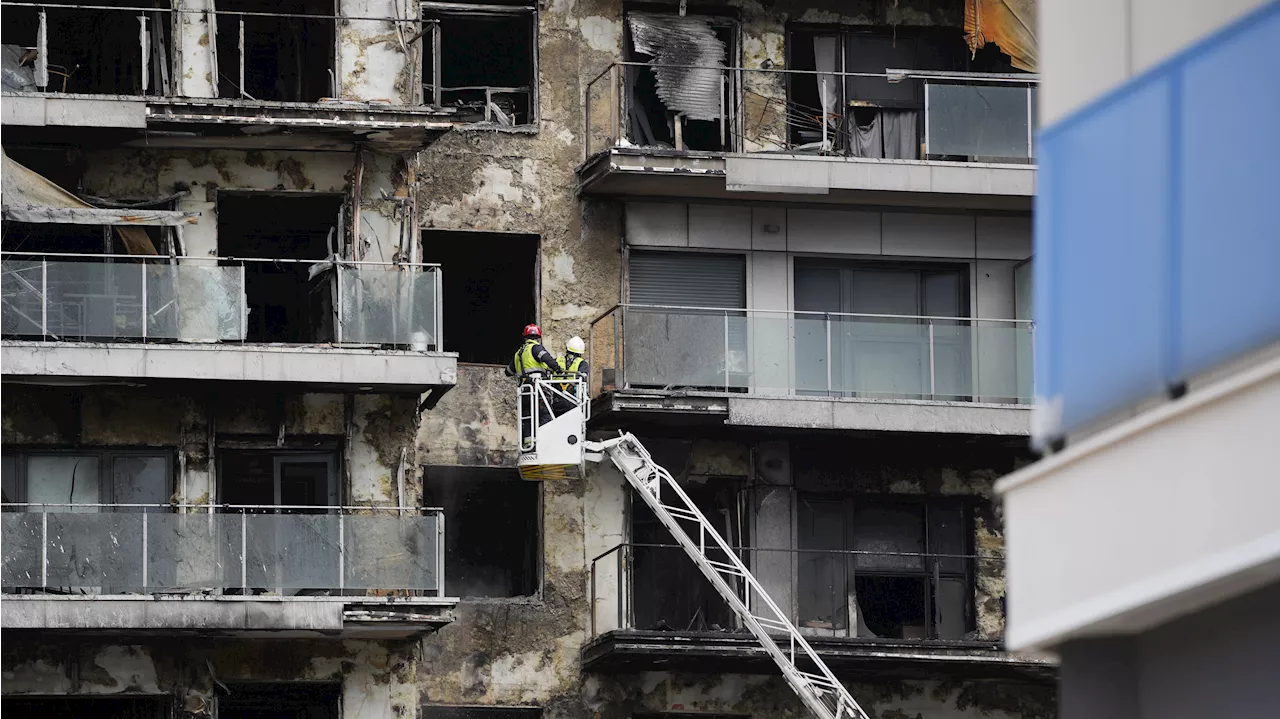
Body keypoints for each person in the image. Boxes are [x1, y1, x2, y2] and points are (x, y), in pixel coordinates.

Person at [506, 324, 562, 444]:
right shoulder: (536, 348)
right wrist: (557, 369)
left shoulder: (518, 353)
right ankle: (546, 442)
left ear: (525, 337)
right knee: (544, 413)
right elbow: (548, 359)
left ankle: (528, 444)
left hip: (524, 389)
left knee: (528, 416)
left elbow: (508, 372)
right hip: (538, 387)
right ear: (538, 337)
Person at [553, 335, 591, 416]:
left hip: (556, 400)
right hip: (573, 401)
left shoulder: (557, 360)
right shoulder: (582, 363)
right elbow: (582, 378)